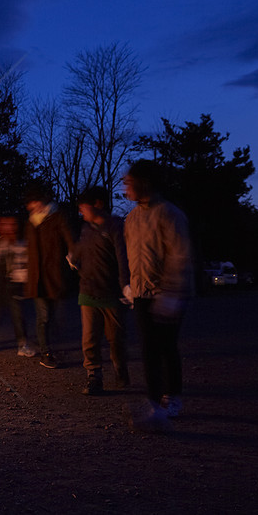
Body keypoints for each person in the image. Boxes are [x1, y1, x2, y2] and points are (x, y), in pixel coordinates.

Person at [123, 160, 193, 431]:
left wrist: (172, 293)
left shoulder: (170, 214)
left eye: (130, 181)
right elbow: (132, 254)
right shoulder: (132, 218)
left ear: (145, 182)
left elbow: (180, 255)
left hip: (167, 294)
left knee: (166, 347)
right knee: (148, 350)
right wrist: (130, 285)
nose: (126, 186)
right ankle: (154, 403)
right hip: (141, 292)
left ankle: (172, 396)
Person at [70, 186, 131, 395]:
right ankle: (94, 375)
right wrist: (73, 256)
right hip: (87, 291)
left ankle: (120, 370)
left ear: (98, 204)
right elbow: (80, 247)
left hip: (111, 293)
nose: (81, 211)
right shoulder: (86, 228)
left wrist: (126, 286)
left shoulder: (115, 227)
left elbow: (122, 258)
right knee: (89, 338)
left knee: (115, 338)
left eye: (83, 207)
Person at [25, 186, 75, 369]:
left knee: (54, 315)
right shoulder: (31, 222)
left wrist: (72, 254)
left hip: (53, 274)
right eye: (29, 204)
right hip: (37, 278)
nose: (31, 207)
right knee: (43, 316)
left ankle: (48, 345)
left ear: (41, 201)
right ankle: (46, 352)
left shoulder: (57, 217)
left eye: (33, 202)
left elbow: (68, 237)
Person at [0, 215, 35, 357]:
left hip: (14, 284)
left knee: (18, 315)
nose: (8, 228)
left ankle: (22, 345)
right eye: (4, 224)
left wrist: (25, 279)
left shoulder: (22, 244)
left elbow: (26, 265)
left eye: (12, 224)